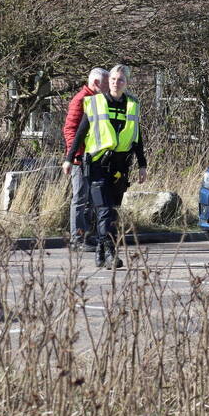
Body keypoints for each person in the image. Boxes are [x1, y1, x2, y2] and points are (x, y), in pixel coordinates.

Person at [61, 64, 147, 268]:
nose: (116, 83)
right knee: (105, 209)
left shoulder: (132, 105)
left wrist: (142, 164)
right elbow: (80, 132)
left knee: (111, 210)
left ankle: (100, 249)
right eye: (113, 79)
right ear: (108, 82)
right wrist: (69, 158)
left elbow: (137, 137)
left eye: (121, 80)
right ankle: (110, 252)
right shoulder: (95, 103)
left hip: (120, 166)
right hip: (97, 164)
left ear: (127, 83)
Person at [63, 67, 109, 252]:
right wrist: (74, 155)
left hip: (93, 157)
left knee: (91, 197)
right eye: (106, 84)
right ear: (96, 83)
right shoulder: (81, 99)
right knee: (80, 198)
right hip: (80, 158)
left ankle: (87, 235)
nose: (108, 88)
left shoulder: (97, 99)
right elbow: (70, 129)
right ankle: (77, 239)